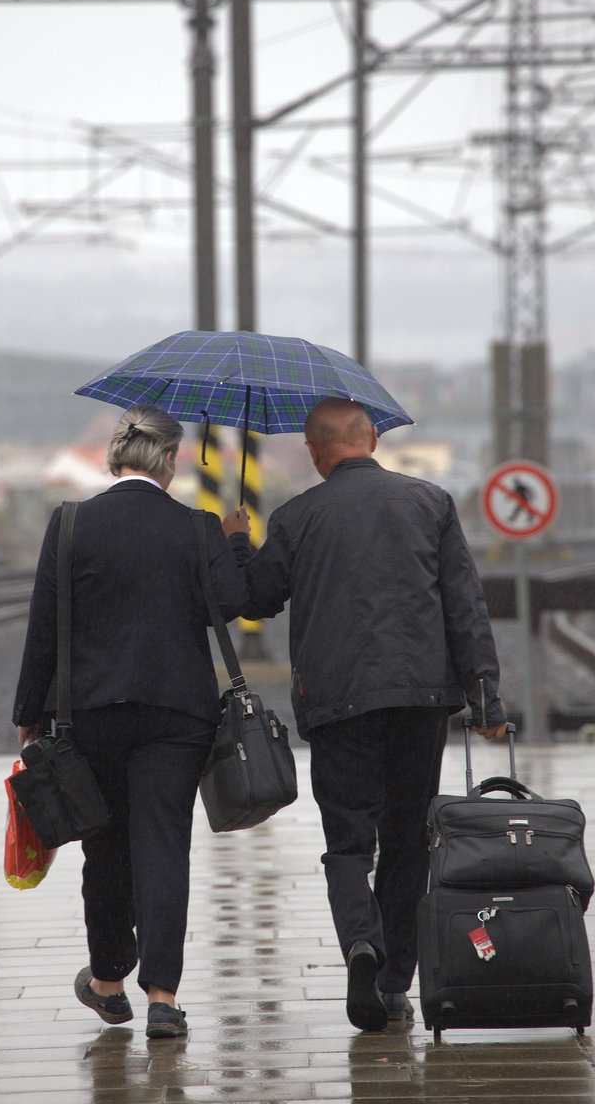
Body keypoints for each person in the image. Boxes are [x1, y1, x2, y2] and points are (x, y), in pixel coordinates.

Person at [223, 397, 507, 1034]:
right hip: (421, 699)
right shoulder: (431, 503)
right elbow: (465, 604)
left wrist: (238, 543)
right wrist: (486, 700)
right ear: (373, 438)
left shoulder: (296, 517)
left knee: (349, 843)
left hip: (337, 704)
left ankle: (360, 942)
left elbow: (255, 599)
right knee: (408, 840)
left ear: (314, 451)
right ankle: (393, 983)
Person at [13, 404, 247, 1038]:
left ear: (116, 457)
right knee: (164, 846)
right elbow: (233, 604)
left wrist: (28, 714)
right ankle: (163, 999)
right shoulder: (197, 528)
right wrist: (233, 540)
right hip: (178, 716)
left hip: (90, 715)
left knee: (105, 843)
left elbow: (44, 627)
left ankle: (109, 981)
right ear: (169, 460)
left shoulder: (69, 525)